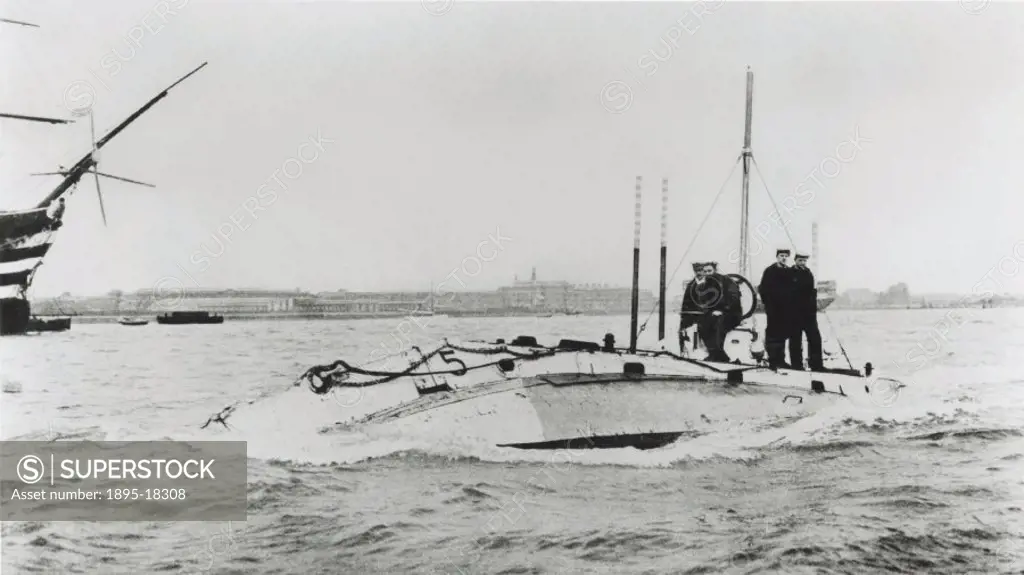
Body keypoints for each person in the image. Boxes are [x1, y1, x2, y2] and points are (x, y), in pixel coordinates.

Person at [679, 261, 743, 363]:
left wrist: (722, 310)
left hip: (732, 314)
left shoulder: (726, 281)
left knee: (718, 325)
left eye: (709, 271)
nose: (707, 273)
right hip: (714, 314)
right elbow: (704, 302)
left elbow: (733, 298)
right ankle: (716, 355)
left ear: (715, 270)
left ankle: (719, 356)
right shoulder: (706, 284)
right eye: (705, 271)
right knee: (703, 325)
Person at [788, 252, 824, 371]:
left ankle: (816, 364)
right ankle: (796, 365)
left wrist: (813, 309)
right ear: (795, 260)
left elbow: (812, 293)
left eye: (804, 261)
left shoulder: (808, 273)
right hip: (795, 313)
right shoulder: (790, 273)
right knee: (795, 340)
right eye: (800, 260)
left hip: (809, 313)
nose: (802, 263)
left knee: (815, 338)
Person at [758, 248, 794, 369]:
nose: (783, 258)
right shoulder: (770, 271)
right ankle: (773, 360)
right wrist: (768, 304)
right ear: (777, 257)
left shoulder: (789, 271)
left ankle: (781, 360)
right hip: (773, 309)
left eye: (785, 256)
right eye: (781, 255)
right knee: (773, 333)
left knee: (783, 333)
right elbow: (762, 288)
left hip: (786, 309)